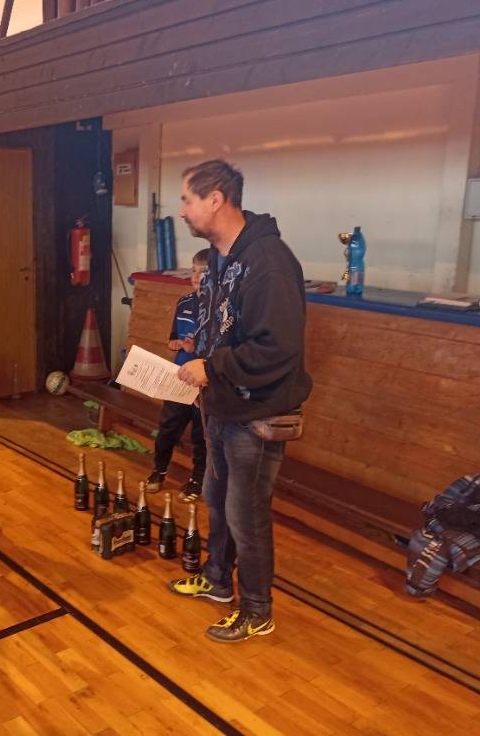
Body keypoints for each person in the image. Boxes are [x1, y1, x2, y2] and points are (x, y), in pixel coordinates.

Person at [168, 160, 312, 643]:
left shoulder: (269, 263)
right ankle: (217, 581)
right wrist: (200, 360)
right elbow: (225, 328)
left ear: (215, 199)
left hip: (258, 413)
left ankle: (257, 610)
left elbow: (278, 347)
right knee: (217, 501)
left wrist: (212, 367)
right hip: (222, 407)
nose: (181, 210)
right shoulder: (221, 257)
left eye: (187, 199)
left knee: (246, 515)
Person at [145, 249, 210, 499]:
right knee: (167, 428)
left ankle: (197, 480)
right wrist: (175, 343)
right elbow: (174, 336)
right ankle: (158, 471)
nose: (196, 276)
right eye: (193, 270)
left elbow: (222, 349)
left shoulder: (221, 308)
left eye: (203, 272)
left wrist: (198, 349)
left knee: (201, 435)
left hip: (205, 383)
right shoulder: (184, 302)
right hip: (180, 377)